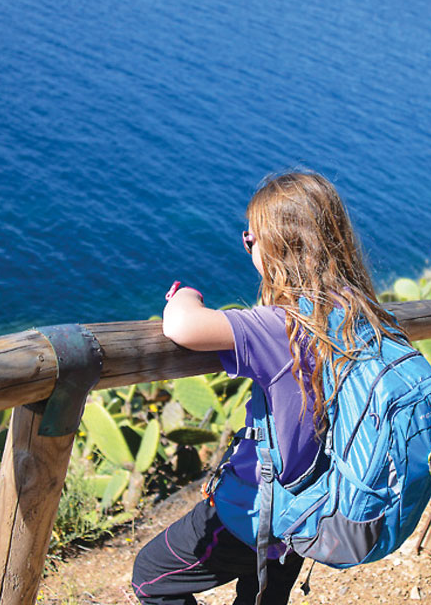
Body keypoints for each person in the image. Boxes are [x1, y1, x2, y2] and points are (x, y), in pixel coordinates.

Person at [131, 171, 408, 605]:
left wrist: (185, 294)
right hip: (314, 502)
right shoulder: (359, 313)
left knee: (152, 575)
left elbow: (182, 326)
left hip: (255, 509)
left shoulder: (281, 327)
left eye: (251, 239)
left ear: (277, 246)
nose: (248, 246)